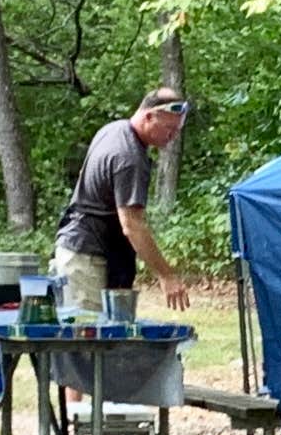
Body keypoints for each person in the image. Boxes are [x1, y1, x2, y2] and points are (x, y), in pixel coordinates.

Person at [54, 89, 193, 317]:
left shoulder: (113, 129)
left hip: (85, 252)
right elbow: (132, 226)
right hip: (87, 259)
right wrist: (167, 275)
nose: (173, 136)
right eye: (169, 129)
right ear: (149, 116)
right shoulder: (129, 158)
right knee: (87, 342)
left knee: (108, 337)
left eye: (177, 131)